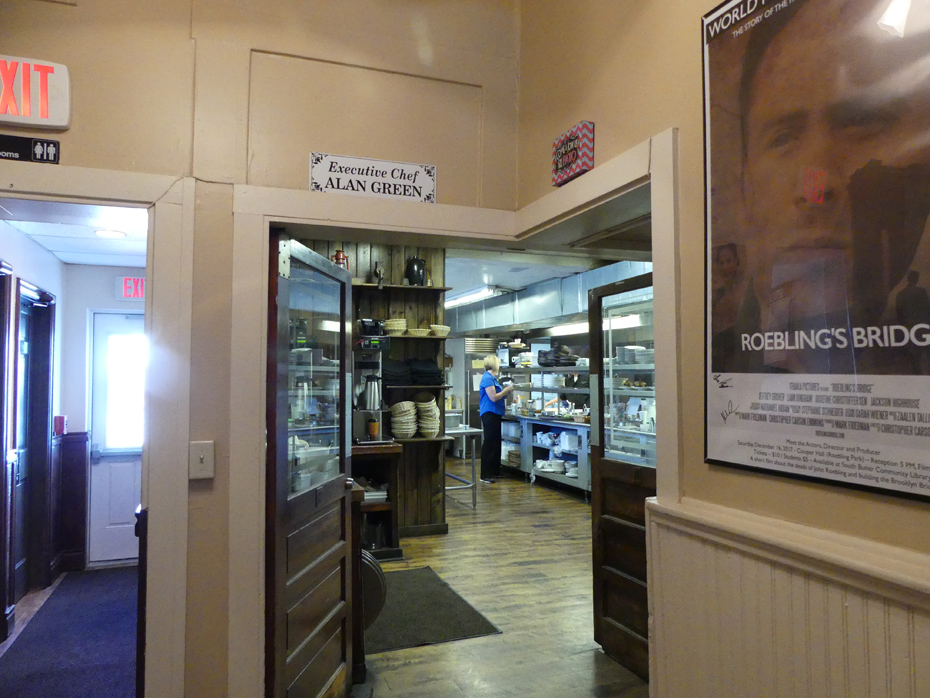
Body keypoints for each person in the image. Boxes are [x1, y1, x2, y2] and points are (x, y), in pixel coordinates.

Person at [712, 0, 930, 373]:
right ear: (745, 189)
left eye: (861, 121)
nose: (816, 189)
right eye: (782, 138)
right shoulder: (724, 356)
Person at [478, 355, 513, 483]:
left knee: (496, 442)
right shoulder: (487, 378)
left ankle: (495, 471)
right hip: (489, 413)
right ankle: (485, 474)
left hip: (496, 413)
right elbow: (493, 397)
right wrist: (506, 390)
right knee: (489, 443)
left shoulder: (493, 379)